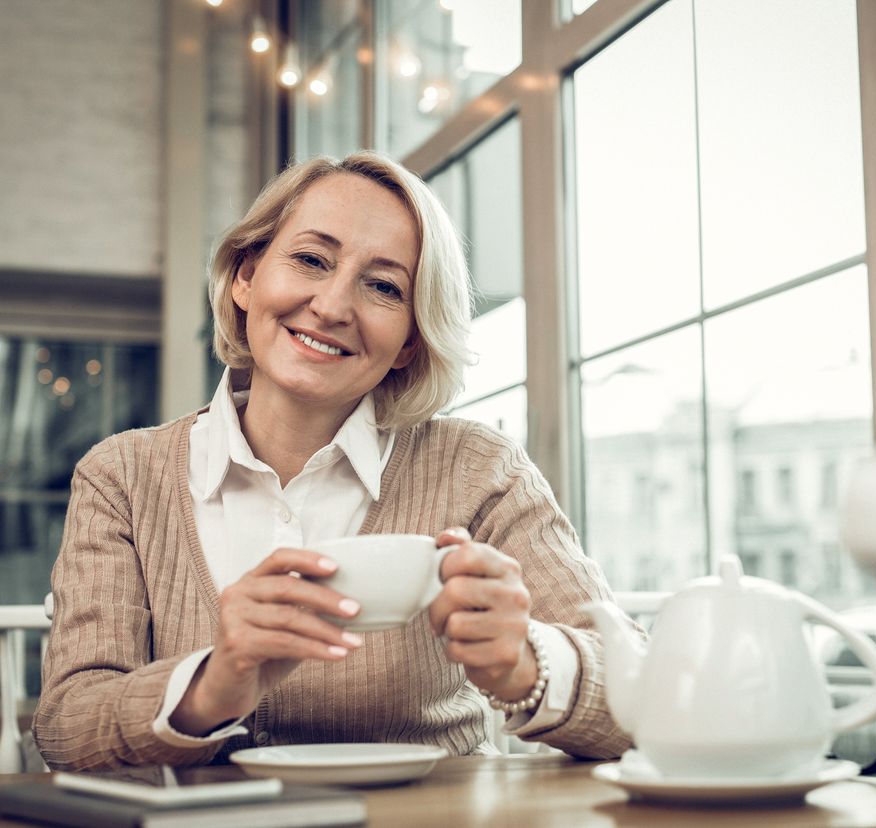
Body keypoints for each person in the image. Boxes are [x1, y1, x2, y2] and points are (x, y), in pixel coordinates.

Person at [33, 151, 637, 771]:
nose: (331, 305)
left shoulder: (479, 469)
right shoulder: (121, 477)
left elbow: (639, 699)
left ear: (410, 340)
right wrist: (214, 684)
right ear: (246, 277)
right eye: (311, 259)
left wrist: (527, 662)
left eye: (383, 286)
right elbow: (66, 731)